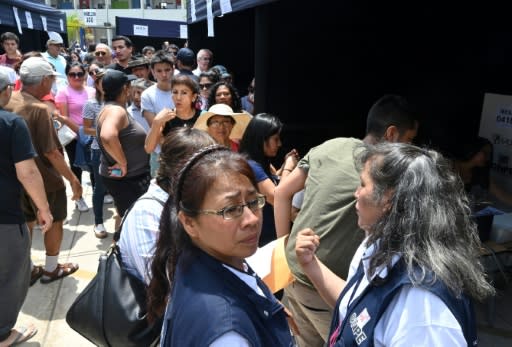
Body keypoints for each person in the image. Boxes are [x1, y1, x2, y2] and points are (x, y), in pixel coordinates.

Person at [295, 142, 495, 346]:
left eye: (363, 184)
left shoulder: (422, 309)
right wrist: (311, 265)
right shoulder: (376, 247)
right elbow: (356, 310)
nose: (356, 193)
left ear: (389, 200)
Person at [274, 94, 418, 346]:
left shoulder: (330, 145)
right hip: (324, 287)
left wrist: (284, 249)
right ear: (392, 134)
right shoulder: (385, 174)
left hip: (292, 272)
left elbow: (281, 192)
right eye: (409, 141)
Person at [147, 146, 294, 346]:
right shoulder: (228, 335)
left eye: (253, 202)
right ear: (189, 223)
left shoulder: (201, 257)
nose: (251, 219)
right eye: (231, 209)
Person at [6, 57, 82, 284]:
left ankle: (27, 268)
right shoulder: (39, 109)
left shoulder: (9, 100)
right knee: (54, 221)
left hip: (16, 178)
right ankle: (51, 269)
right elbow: (52, 153)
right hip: (45, 180)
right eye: (50, 79)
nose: (51, 84)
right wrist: (72, 179)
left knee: (26, 222)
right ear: (43, 81)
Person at [119, 127, 215, 284]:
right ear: (179, 170)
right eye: (205, 169)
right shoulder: (146, 215)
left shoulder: (188, 201)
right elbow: (160, 285)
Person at [0, 70, 52, 347]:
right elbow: (28, 172)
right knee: (11, 275)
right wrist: (43, 208)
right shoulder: (11, 124)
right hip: (5, 217)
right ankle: (3, 333)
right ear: (6, 90)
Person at [97, 70, 150, 222]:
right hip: (128, 180)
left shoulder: (111, 107)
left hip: (128, 179)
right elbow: (107, 135)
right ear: (125, 89)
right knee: (132, 222)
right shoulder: (116, 110)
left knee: (125, 218)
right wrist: (122, 163)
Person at [240, 113, 299, 246]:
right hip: (265, 240)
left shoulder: (260, 162)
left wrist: (284, 165)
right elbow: (277, 196)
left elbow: (272, 179)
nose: (279, 144)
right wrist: (288, 168)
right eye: (276, 139)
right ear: (262, 139)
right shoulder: (251, 166)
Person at [55, 62, 95, 212]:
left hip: (91, 134)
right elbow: (63, 117)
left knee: (94, 164)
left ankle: (99, 192)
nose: (77, 77)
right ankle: (78, 197)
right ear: (67, 76)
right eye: (73, 74)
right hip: (73, 136)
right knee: (75, 166)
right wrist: (80, 132)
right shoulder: (63, 92)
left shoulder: (92, 91)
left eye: (80, 74)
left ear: (85, 74)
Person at [82, 68, 111, 238]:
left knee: (118, 185)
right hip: (99, 151)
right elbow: (86, 129)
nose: (106, 86)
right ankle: (98, 221)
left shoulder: (121, 102)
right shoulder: (91, 104)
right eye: (102, 82)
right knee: (99, 187)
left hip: (119, 152)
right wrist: (106, 132)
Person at [145, 74, 202, 154]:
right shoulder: (165, 118)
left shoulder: (203, 116)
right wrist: (156, 122)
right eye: (175, 92)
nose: (178, 97)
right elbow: (148, 149)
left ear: (194, 97)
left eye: (184, 93)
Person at [452, 136, 512, 208]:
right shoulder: (448, 165)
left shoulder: (480, 173)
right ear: (473, 149)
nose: (488, 158)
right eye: (485, 153)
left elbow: (501, 194)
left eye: (489, 154)